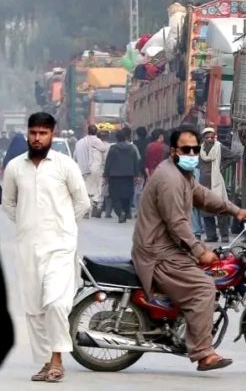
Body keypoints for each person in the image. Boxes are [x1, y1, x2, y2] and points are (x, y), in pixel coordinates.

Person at [132, 125, 246, 372]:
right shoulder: (169, 179)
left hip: (169, 249)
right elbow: (176, 223)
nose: (191, 154)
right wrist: (200, 251)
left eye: (194, 149)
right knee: (204, 288)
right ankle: (202, 353)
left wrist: (234, 210)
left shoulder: (183, 176)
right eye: (185, 149)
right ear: (174, 150)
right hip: (159, 253)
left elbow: (205, 196)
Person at [2, 112, 90, 382]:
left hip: (60, 247)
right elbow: (9, 203)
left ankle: (57, 358)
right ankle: (45, 362)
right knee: (34, 308)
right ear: (28, 133)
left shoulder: (65, 165)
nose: (37, 138)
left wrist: (61, 226)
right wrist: (30, 225)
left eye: (43, 133)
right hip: (28, 247)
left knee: (55, 303)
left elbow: (82, 202)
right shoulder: (16, 167)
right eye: (33, 133)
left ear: (53, 133)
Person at [199, 127, 241, 243]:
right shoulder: (200, 150)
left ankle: (224, 235)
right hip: (204, 183)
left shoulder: (219, 147)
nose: (210, 139)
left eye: (212, 137)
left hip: (216, 182)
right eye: (207, 137)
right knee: (206, 211)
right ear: (203, 139)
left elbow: (235, 157)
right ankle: (211, 235)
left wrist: (222, 166)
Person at [103, 127, 141, 223]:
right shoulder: (132, 149)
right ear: (125, 138)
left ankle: (120, 212)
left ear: (117, 138)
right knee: (127, 195)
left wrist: (106, 175)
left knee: (115, 196)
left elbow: (108, 162)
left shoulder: (113, 148)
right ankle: (126, 211)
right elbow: (135, 162)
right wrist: (137, 175)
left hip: (115, 176)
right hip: (128, 175)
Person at [73, 124, 108, 218]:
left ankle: (86, 210)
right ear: (96, 132)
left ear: (87, 131)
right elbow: (104, 149)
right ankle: (95, 204)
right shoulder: (98, 141)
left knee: (85, 189)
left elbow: (75, 156)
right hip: (96, 169)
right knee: (96, 189)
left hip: (83, 169)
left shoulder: (80, 142)